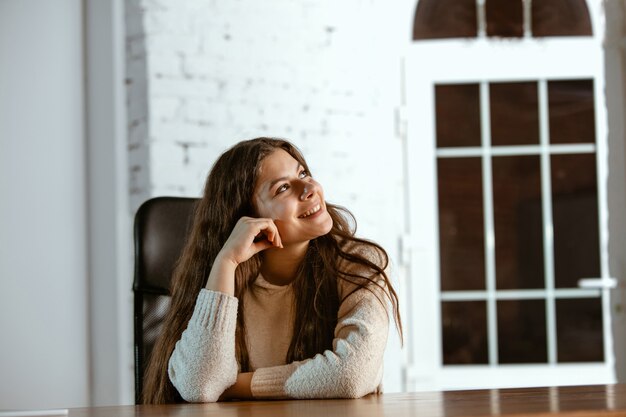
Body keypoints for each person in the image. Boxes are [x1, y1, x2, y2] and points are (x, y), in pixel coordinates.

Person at [142, 137, 402, 403]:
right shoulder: (220, 280)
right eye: (283, 188)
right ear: (246, 217)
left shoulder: (360, 263)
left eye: (303, 173)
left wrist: (237, 386)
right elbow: (200, 385)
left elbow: (352, 375)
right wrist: (226, 262)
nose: (309, 188)